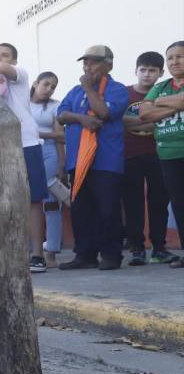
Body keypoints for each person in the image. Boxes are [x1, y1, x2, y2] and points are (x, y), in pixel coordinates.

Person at [0, 36, 50, 272]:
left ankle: (37, 254)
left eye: (3, 55)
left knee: (34, 199)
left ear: (14, 59)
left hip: (26, 142)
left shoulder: (18, 75)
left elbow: (1, 69)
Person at [57, 45, 130, 271]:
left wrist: (89, 88)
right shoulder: (74, 91)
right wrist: (82, 119)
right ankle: (85, 255)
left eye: (93, 62)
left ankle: (111, 255)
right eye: (85, 63)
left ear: (108, 65)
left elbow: (104, 112)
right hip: (77, 161)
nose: (87, 67)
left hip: (106, 160)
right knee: (81, 210)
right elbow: (61, 115)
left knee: (107, 209)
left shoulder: (117, 89)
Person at [121, 51, 175, 265]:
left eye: (152, 71)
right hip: (130, 154)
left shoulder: (163, 94)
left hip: (158, 154)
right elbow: (120, 121)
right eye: (142, 70)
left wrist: (138, 121)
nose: (146, 75)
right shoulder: (124, 94)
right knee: (132, 202)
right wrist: (150, 120)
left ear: (161, 73)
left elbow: (166, 119)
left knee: (159, 202)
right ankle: (136, 249)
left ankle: (159, 248)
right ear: (136, 70)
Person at [137, 41, 184, 269]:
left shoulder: (159, 93)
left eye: (180, 56)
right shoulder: (162, 85)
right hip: (168, 154)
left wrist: (161, 102)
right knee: (179, 205)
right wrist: (177, 104)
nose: (175, 61)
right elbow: (145, 113)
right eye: (171, 58)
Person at [29, 72, 65, 267]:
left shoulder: (55, 106)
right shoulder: (22, 103)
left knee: (51, 203)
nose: (49, 89)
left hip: (49, 153)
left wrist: (61, 163)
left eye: (53, 86)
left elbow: (60, 135)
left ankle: (51, 250)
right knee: (29, 201)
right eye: (46, 84)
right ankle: (32, 250)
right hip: (26, 152)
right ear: (35, 83)